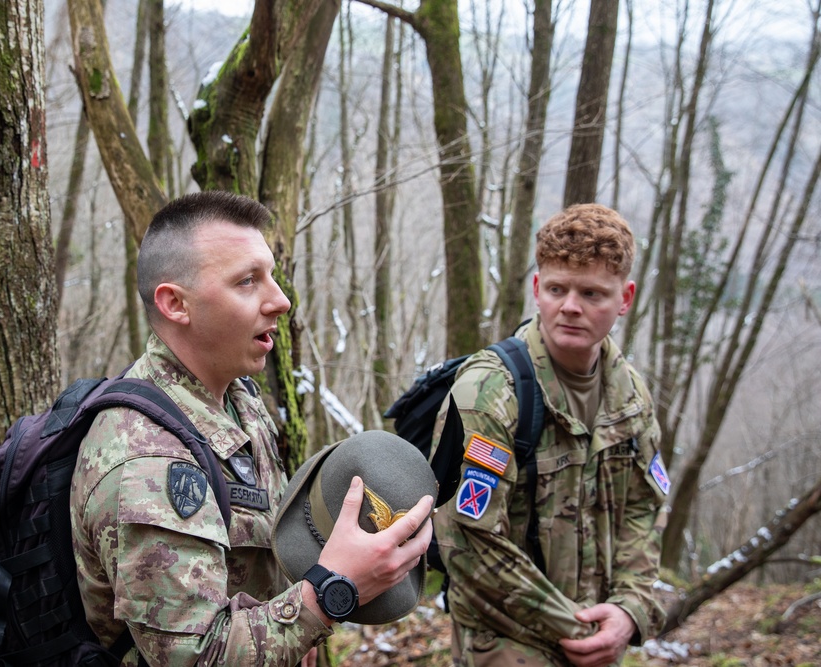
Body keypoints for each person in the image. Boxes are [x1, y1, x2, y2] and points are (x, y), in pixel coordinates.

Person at [71, 191, 433, 667]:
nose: (281, 301)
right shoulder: (148, 463)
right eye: (247, 281)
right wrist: (328, 595)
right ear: (175, 304)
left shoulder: (236, 398)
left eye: (272, 276)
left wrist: (295, 626)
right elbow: (194, 659)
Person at [432, 203, 670, 667]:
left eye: (593, 293)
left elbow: (644, 509)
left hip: (598, 637)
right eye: (557, 289)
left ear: (625, 298)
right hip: (505, 641)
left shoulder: (630, 395)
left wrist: (629, 611)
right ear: (538, 289)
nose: (571, 307)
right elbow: (466, 539)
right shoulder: (492, 390)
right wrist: (579, 630)